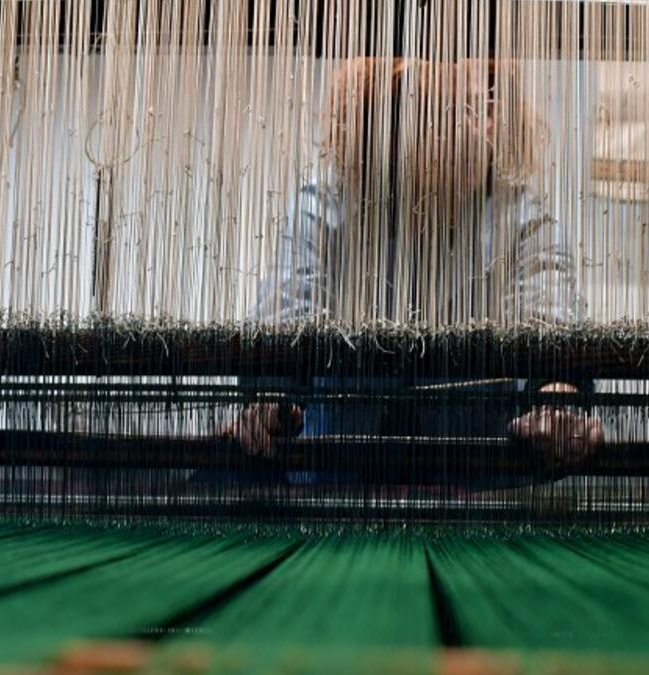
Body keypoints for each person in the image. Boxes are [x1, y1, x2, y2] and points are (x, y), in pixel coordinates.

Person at [222, 58, 603, 478]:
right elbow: (288, 314)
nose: (488, 123)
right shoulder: (328, 206)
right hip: (337, 484)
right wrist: (271, 399)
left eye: (492, 106)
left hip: (476, 486)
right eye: (470, 107)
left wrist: (556, 398)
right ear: (394, 122)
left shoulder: (523, 219)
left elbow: (550, 317)